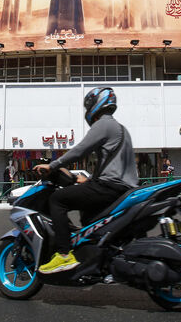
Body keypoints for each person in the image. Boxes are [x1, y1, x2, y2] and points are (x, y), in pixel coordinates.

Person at [33, 87, 138, 274]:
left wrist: (52, 166)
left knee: (57, 199)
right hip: (122, 189)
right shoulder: (122, 129)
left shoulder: (104, 124)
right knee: (88, 216)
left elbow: (79, 150)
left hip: (109, 187)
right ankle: (96, 258)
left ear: (95, 104)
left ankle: (64, 255)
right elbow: (113, 163)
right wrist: (86, 179)